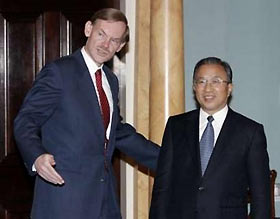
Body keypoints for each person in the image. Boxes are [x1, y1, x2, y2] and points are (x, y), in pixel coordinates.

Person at [14, 8, 159, 219]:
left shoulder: (110, 80)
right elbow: (25, 120)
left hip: (104, 200)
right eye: (101, 34)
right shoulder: (59, 72)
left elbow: (116, 131)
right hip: (64, 199)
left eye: (114, 40)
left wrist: (169, 159)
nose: (105, 44)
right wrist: (36, 156)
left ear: (120, 46)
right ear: (88, 29)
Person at [149, 57, 271, 219]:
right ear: (194, 87)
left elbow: (261, 197)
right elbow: (162, 188)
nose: (208, 88)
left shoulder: (250, 132)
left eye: (216, 81)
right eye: (201, 82)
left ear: (229, 88)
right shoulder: (176, 126)